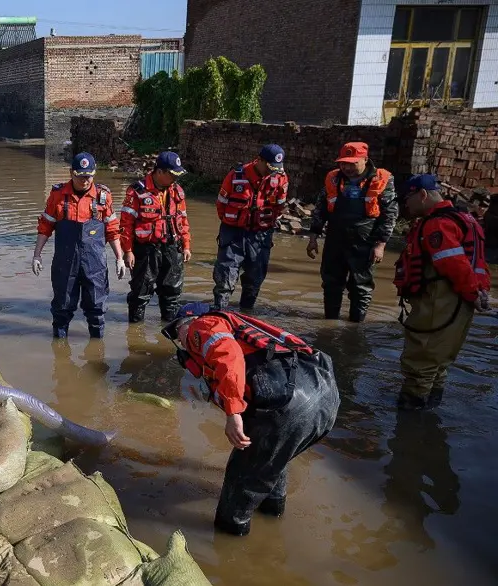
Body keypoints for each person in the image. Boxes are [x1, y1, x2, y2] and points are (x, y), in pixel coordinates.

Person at [162, 302, 339, 536]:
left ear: (190, 320)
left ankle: (229, 544)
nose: (180, 340)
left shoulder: (202, 325)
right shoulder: (232, 326)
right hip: (323, 394)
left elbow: (228, 355)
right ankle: (272, 521)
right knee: (272, 461)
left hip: (288, 404)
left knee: (239, 485)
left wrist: (233, 413)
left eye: (178, 331)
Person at [393, 174, 491, 411]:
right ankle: (430, 416)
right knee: (439, 362)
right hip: (459, 302)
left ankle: (408, 420)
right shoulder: (467, 220)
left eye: (407, 199)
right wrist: (479, 293)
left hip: (441, 301)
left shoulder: (438, 225)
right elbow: (478, 265)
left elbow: (454, 264)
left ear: (422, 195)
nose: (405, 205)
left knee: (421, 361)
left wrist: (472, 293)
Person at [32, 152, 124, 338]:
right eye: (80, 176)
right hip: (65, 263)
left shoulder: (103, 196)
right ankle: (60, 348)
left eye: (89, 176)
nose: (85, 180)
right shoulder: (58, 195)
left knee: (96, 309)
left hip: (95, 264)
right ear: (71, 173)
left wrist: (119, 258)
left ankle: (97, 348)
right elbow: (45, 227)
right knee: (62, 309)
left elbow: (113, 229)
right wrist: (36, 255)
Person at [306, 142, 398, 322]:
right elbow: (320, 208)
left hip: (364, 242)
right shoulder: (333, 178)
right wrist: (313, 237)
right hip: (335, 240)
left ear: (365, 160)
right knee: (331, 283)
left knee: (360, 286)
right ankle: (329, 324)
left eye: (352, 163)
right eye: (343, 163)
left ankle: (356, 328)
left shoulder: (382, 180)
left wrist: (380, 244)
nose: (346, 168)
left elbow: (390, 214)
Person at [213, 144, 289, 310]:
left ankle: (246, 312)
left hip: (260, 234)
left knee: (255, 279)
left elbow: (279, 207)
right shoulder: (235, 176)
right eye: (269, 168)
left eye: (276, 169)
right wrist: (233, 223)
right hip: (233, 233)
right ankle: (219, 311)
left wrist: (266, 226)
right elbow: (221, 205)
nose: (271, 172)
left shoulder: (280, 179)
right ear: (259, 160)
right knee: (226, 276)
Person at [120, 151, 192, 323]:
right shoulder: (137, 192)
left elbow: (183, 220)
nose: (175, 179)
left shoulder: (177, 191)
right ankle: (135, 332)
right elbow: (125, 225)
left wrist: (186, 245)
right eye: (172, 174)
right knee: (140, 293)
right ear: (159, 172)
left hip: (172, 248)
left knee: (172, 293)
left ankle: (167, 330)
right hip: (146, 250)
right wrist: (128, 251)